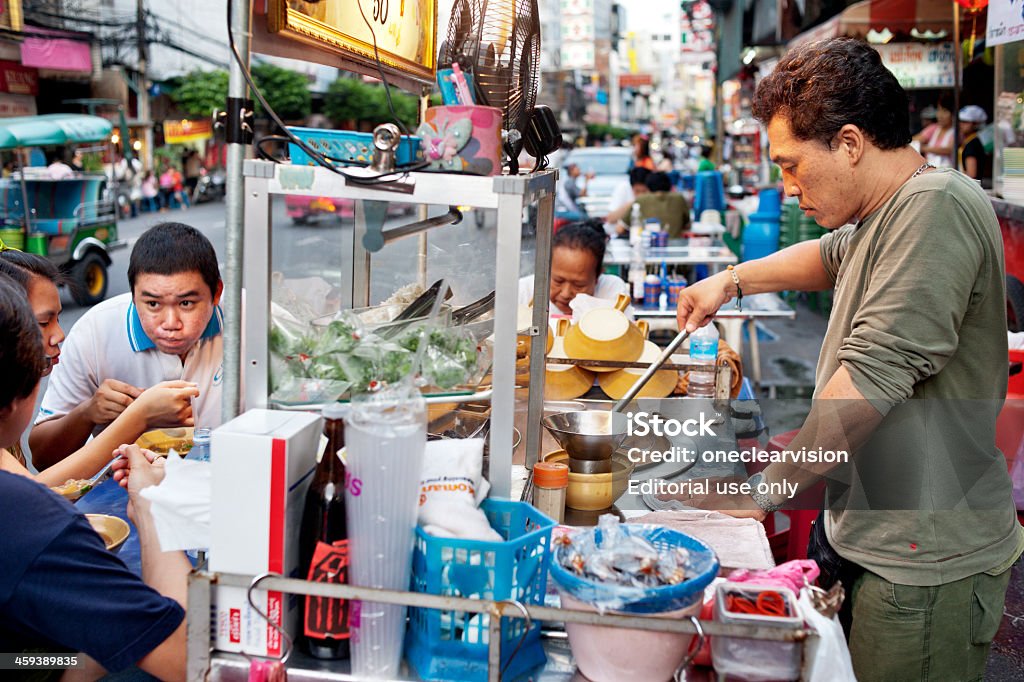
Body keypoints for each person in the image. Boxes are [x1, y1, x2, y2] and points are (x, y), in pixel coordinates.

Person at [673, 38, 1022, 681]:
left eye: (791, 165)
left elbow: (871, 379)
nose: (787, 185)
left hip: (921, 560)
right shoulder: (885, 210)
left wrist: (765, 493)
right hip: (874, 533)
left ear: (851, 143)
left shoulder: (934, 208)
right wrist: (731, 280)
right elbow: (825, 257)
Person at [0, 274, 188, 680]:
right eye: (42, 324)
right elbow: (182, 659)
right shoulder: (27, 517)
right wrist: (152, 504)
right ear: (23, 386)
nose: (57, 335)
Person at [30, 222, 226, 470]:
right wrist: (87, 413)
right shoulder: (93, 333)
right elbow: (42, 459)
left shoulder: (254, 322)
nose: (170, 324)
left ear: (216, 292)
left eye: (186, 303)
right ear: (133, 295)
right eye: (153, 304)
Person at [0, 251, 197, 481]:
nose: (59, 335)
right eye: (43, 322)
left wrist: (89, 412)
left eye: (186, 302)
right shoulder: (92, 331)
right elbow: (32, 492)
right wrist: (139, 416)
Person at [518, 220, 628, 316]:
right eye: (558, 281)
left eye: (579, 285)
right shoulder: (524, 292)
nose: (565, 294)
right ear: (546, 269)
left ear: (597, 276)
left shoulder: (612, 294)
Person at [634, 171, 691, 237]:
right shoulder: (679, 198)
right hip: (675, 245)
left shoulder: (641, 199)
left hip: (649, 243)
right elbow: (687, 225)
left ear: (648, 187)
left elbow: (620, 228)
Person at [913, 95, 954, 168]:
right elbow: (916, 139)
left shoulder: (956, 131)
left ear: (953, 114)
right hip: (930, 170)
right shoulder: (934, 128)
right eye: (939, 110)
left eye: (944, 111)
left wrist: (924, 148)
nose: (940, 115)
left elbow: (949, 150)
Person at [958, 104, 988, 182]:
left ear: (976, 124)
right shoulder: (972, 141)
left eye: (965, 122)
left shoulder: (972, 145)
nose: (961, 124)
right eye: (960, 121)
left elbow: (971, 175)